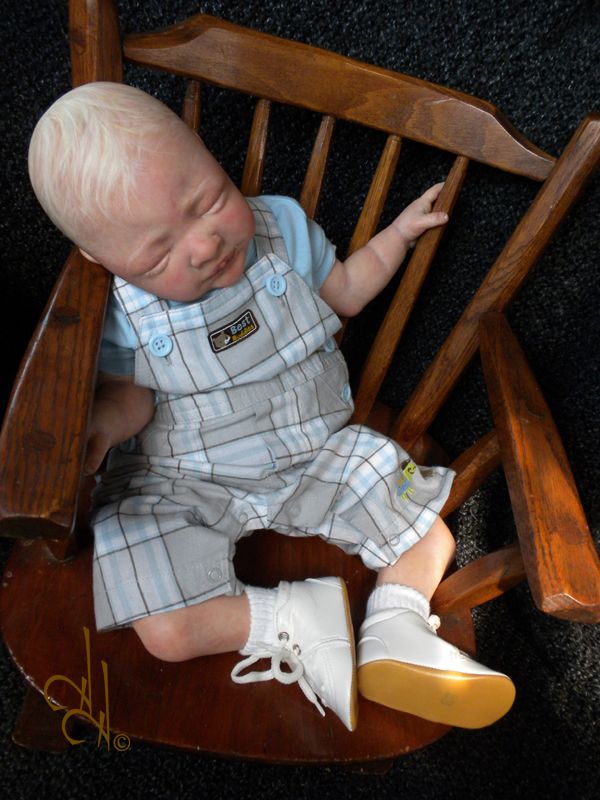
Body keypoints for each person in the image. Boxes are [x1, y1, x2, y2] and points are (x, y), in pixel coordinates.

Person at [28, 81, 515, 732]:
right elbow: (133, 399)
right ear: (103, 260)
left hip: (314, 447)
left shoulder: (279, 226)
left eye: (207, 202)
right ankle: (293, 620)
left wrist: (395, 238)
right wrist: (99, 427)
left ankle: (396, 626)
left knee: (429, 524)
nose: (202, 245)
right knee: (165, 628)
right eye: (159, 253)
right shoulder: (117, 309)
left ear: (209, 155)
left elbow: (342, 292)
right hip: (182, 476)